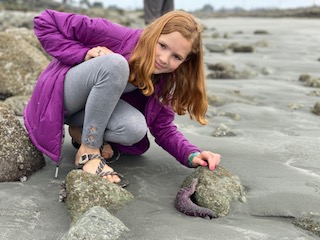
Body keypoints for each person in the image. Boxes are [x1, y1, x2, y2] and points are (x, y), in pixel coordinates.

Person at [24, 9, 221, 187]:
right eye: (162, 45)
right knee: (117, 65)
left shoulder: (166, 80)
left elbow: (163, 128)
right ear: (153, 35)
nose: (163, 59)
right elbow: (45, 20)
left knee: (134, 129)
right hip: (61, 99)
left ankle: (82, 131)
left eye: (176, 57)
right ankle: (89, 151)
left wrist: (191, 154)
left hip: (87, 113)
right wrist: (83, 54)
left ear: (186, 61)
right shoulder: (117, 35)